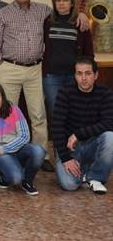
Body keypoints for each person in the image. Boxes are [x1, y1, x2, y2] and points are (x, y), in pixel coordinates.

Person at [0, 0, 88, 171]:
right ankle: (7, 154)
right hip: (9, 68)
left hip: (36, 69)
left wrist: (82, 14)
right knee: (7, 114)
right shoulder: (2, 13)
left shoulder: (44, 11)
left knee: (38, 115)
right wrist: (0, 67)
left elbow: (66, 14)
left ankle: (42, 155)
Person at [52, 57, 113, 194]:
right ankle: (85, 170)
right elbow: (57, 127)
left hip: (92, 145)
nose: (83, 78)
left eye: (88, 73)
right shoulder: (65, 93)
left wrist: (78, 134)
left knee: (110, 137)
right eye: (79, 73)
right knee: (69, 185)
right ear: (75, 75)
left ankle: (95, 177)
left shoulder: (105, 94)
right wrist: (66, 159)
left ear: (96, 75)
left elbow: (109, 123)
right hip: (70, 149)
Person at [0, 83, 45, 195]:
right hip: (1, 157)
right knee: (16, 178)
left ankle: (27, 181)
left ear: (3, 98)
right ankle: (4, 178)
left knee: (38, 151)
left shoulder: (14, 110)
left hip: (16, 150)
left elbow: (25, 136)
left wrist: (2, 149)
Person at [43, 0, 93, 113]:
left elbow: (89, 52)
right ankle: (58, 134)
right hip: (51, 76)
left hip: (74, 76)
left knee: (75, 111)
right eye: (58, 0)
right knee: (55, 110)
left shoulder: (80, 22)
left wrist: (86, 73)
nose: (61, 3)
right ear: (54, 3)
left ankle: (73, 134)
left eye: (65, 0)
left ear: (72, 3)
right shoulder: (48, 22)